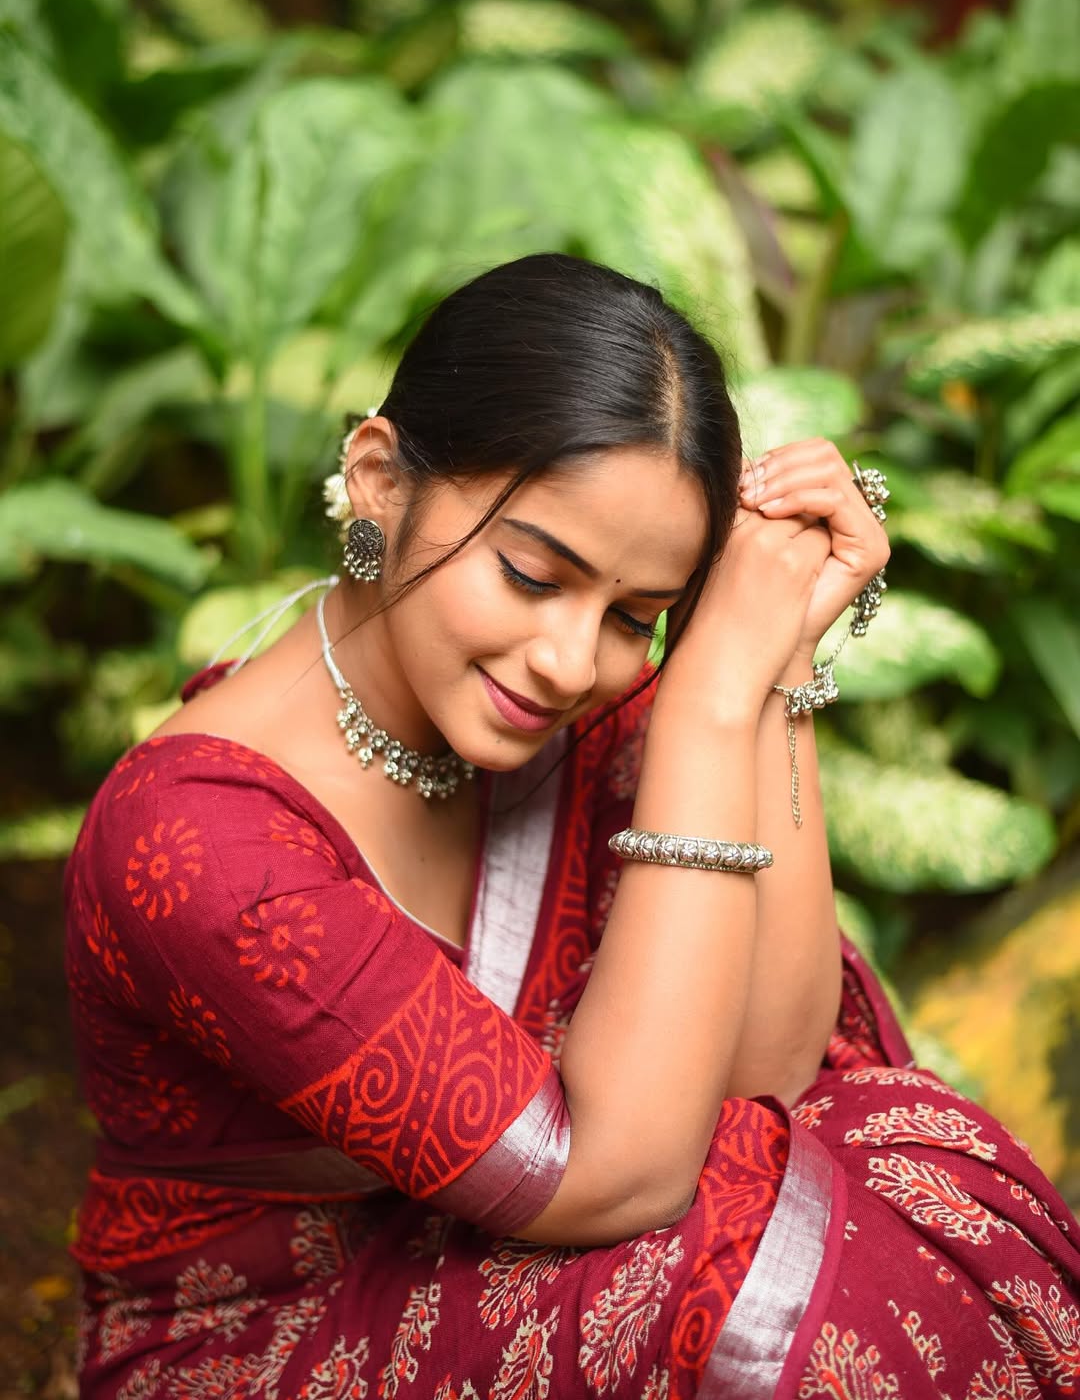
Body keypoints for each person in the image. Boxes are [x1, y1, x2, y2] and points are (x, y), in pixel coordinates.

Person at [65, 253, 1079, 1400]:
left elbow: (774, 1065)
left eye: (633, 618)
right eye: (531, 573)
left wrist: (774, 658)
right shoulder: (201, 845)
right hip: (260, 1340)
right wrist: (702, 694)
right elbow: (617, 1179)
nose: (566, 660)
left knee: (873, 1145)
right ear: (380, 476)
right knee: (754, 1252)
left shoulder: (563, 712)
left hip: (495, 1254)